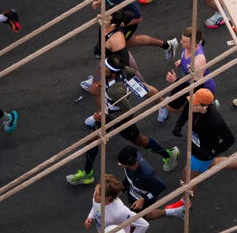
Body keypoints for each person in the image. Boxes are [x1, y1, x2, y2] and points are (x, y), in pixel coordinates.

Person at [67, 54, 179, 186]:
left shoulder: (116, 91)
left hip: (118, 117)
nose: (101, 70)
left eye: (105, 70)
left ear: (113, 74)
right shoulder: (125, 70)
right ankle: (87, 174)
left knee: (139, 140)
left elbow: (128, 113)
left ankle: (168, 155)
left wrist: (106, 116)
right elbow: (133, 77)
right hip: (108, 113)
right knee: (91, 140)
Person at [157, 26, 217, 128]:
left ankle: (207, 105)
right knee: (191, 108)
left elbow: (195, 86)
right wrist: (182, 61)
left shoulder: (198, 61)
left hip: (201, 88)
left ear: (194, 44)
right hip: (188, 81)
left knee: (176, 108)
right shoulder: (193, 45)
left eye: (184, 41)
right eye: (181, 39)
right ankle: (208, 105)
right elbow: (202, 41)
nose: (180, 42)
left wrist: (175, 81)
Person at [181, 88, 235, 185]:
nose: (191, 105)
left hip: (203, 153)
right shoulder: (196, 110)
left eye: (195, 104)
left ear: (204, 106)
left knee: (189, 178)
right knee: (215, 163)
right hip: (195, 147)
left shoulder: (215, 121)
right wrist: (178, 125)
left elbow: (230, 140)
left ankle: (186, 200)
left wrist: (212, 152)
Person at [116, 146, 185, 220]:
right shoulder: (130, 163)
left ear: (128, 163)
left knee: (140, 218)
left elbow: (161, 187)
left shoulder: (147, 175)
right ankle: (175, 212)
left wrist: (143, 199)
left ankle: (175, 211)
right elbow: (130, 176)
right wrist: (122, 187)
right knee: (138, 217)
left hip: (144, 197)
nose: (118, 164)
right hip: (134, 194)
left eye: (120, 163)